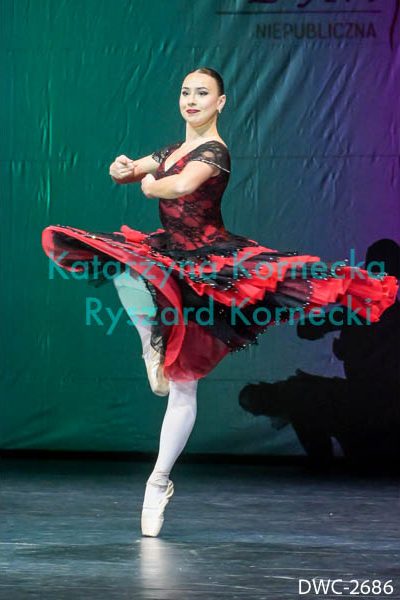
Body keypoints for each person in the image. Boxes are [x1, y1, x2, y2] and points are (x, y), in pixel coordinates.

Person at [41, 66, 399, 537]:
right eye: (186, 92)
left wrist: (150, 185)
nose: (191, 100)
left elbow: (179, 186)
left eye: (202, 93)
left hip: (210, 266)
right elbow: (134, 169)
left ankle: (158, 481)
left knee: (185, 384)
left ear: (221, 102)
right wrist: (122, 168)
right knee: (123, 263)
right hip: (169, 254)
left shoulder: (215, 153)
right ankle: (151, 345)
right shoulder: (171, 150)